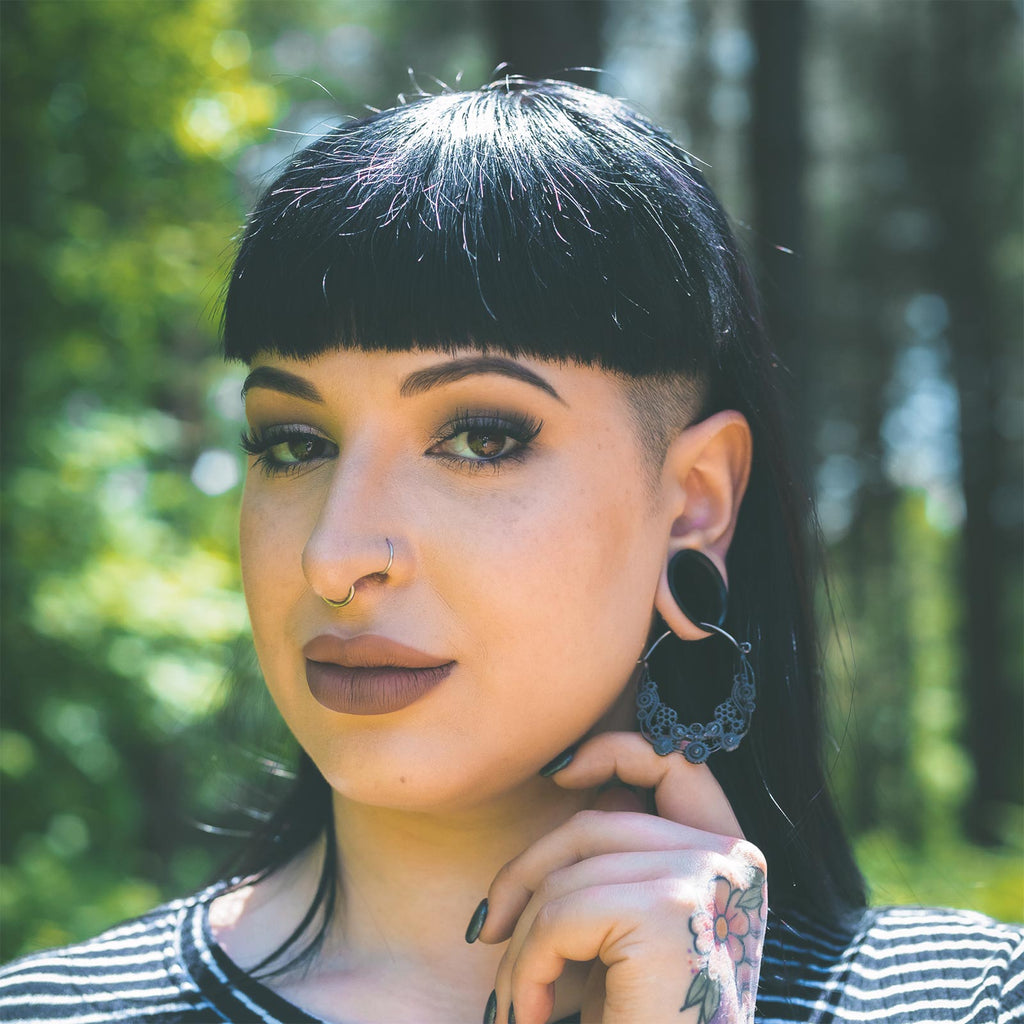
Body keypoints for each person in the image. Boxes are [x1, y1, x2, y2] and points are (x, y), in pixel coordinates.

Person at [0, 77, 1020, 1024]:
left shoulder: (971, 1001)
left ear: (695, 506)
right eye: (293, 443)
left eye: (480, 438)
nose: (334, 556)